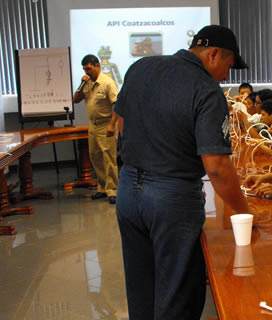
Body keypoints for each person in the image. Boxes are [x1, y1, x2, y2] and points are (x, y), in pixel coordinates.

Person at [114, 25, 250, 320]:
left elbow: (120, 124)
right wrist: (243, 210)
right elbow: (217, 167)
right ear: (213, 54)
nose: (227, 75)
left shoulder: (141, 67)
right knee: (177, 292)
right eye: (228, 65)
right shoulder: (206, 91)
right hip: (171, 198)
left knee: (141, 285)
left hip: (127, 190)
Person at [73, 54, 119, 204]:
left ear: (97, 65)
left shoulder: (107, 83)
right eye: (84, 69)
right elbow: (76, 99)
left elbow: (116, 105)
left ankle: (113, 190)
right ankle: (102, 188)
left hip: (106, 125)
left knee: (108, 158)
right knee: (95, 157)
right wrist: (81, 84)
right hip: (92, 125)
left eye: (89, 69)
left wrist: (112, 125)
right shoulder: (86, 82)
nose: (87, 72)